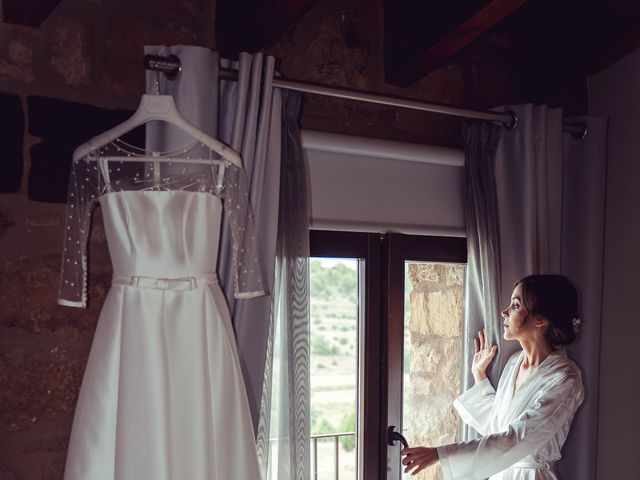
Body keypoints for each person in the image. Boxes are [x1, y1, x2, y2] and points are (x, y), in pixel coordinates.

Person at [401, 274, 584, 479]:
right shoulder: (514, 363)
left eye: (515, 306)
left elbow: (517, 438)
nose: (504, 312)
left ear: (540, 319)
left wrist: (440, 453)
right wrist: (479, 376)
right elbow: (497, 426)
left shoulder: (565, 378)